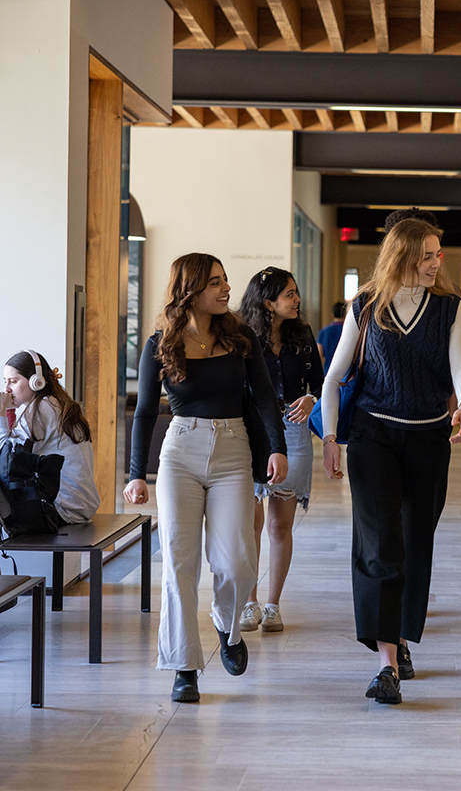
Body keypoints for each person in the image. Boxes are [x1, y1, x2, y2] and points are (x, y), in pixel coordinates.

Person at [321, 218, 461, 705]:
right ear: (403, 256)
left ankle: (403, 637)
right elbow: (333, 377)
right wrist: (329, 436)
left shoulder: (450, 307)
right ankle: (385, 662)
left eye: (438, 253)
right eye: (427, 255)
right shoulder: (365, 306)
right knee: (379, 542)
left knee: (413, 541)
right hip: (373, 435)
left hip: (429, 436)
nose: (436, 262)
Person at [124, 253, 288, 705]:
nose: (226, 288)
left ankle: (227, 624)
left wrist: (277, 446)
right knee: (179, 563)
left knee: (237, 560)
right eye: (215, 282)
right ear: (189, 290)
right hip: (180, 452)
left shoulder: (242, 338)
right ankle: (184, 666)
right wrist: (137, 473)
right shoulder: (161, 342)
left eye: (225, 280)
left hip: (234, 448)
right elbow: (142, 414)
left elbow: (265, 400)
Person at [236, 267, 324, 634]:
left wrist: (310, 397)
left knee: (279, 524)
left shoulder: (302, 334)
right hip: (253, 430)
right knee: (251, 524)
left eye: (295, 292)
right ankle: (249, 602)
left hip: (295, 429)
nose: (297, 299)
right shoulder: (241, 336)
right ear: (268, 303)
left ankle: (273, 605)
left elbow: (320, 382)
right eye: (289, 294)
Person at [0, 350, 100, 524]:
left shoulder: (42, 409)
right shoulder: (54, 403)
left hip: (64, 508)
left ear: (36, 382)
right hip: (79, 504)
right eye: (5, 382)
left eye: (13, 382)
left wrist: (2, 413)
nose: (6, 389)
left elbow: (6, 456)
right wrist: (8, 410)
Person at [317, 301, 346, 375]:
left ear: (332, 315)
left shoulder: (324, 331)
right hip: (346, 372)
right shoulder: (348, 331)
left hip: (328, 371)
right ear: (345, 314)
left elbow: (319, 355)